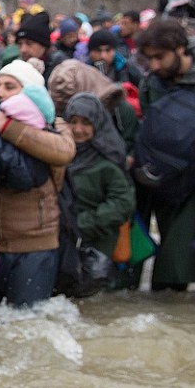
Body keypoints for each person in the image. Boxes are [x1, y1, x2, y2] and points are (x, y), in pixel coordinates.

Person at [0, 59, 76, 307]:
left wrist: (9, 128)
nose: (0, 93)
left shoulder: (52, 125)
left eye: (10, 86)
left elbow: (63, 151)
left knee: (28, 322)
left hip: (34, 246)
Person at [134, 19, 195, 289]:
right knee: (172, 271)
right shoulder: (153, 82)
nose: (153, 65)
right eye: (149, 58)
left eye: (159, 57)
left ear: (179, 49)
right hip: (175, 185)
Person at [63, 93, 136, 271]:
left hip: (99, 245)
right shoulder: (59, 153)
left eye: (86, 123)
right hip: (66, 242)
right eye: (73, 121)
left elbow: (123, 203)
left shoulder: (108, 160)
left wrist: (83, 223)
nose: (78, 129)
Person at [15, 11, 67, 82]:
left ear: (44, 45)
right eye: (20, 44)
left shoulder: (61, 68)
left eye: (29, 43)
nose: (23, 50)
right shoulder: (17, 65)